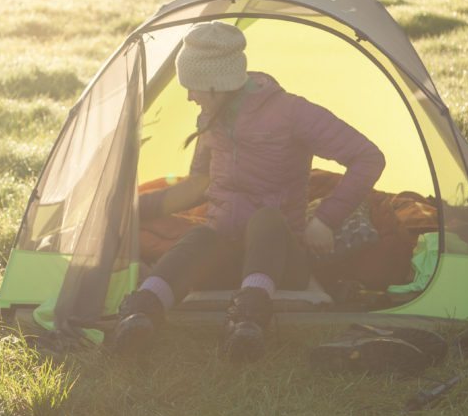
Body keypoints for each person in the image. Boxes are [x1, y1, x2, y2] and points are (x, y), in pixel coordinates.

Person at [115, 21, 385, 362]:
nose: (189, 96)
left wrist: (327, 219)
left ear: (216, 83)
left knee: (267, 219)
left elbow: (368, 157)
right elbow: (197, 186)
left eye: (193, 86)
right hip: (229, 257)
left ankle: (248, 324)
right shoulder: (211, 119)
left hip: (283, 260)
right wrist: (130, 210)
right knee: (201, 237)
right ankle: (140, 316)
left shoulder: (292, 112)